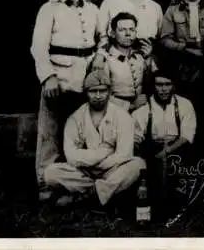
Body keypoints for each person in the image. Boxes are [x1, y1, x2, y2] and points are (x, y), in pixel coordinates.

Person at [31, 0, 103, 200]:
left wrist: (100, 58)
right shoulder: (49, 9)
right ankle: (45, 182)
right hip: (59, 78)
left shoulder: (93, 9)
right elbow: (38, 47)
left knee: (79, 132)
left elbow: (102, 37)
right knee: (50, 132)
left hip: (85, 78)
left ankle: (73, 183)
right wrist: (48, 77)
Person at [42, 70, 145, 207]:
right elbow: (72, 156)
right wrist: (104, 152)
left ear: (109, 92)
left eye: (102, 91)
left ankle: (84, 197)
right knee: (51, 173)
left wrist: (95, 161)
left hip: (112, 169)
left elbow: (124, 154)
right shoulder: (75, 118)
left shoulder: (121, 116)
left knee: (137, 165)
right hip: (85, 172)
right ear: (86, 93)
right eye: (93, 91)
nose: (98, 96)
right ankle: (108, 193)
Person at [132, 68, 197, 220]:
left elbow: (186, 136)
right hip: (152, 147)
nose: (163, 89)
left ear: (173, 85)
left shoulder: (184, 104)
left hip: (178, 146)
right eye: (159, 85)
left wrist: (167, 150)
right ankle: (154, 212)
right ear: (153, 86)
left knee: (179, 167)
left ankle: (178, 209)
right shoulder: (144, 107)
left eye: (167, 84)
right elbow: (136, 136)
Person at [95, 12, 157, 112]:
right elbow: (99, 94)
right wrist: (130, 106)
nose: (128, 34)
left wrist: (148, 59)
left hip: (141, 110)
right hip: (114, 111)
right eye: (122, 30)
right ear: (113, 34)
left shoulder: (140, 57)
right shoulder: (105, 59)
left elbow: (154, 84)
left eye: (132, 30)